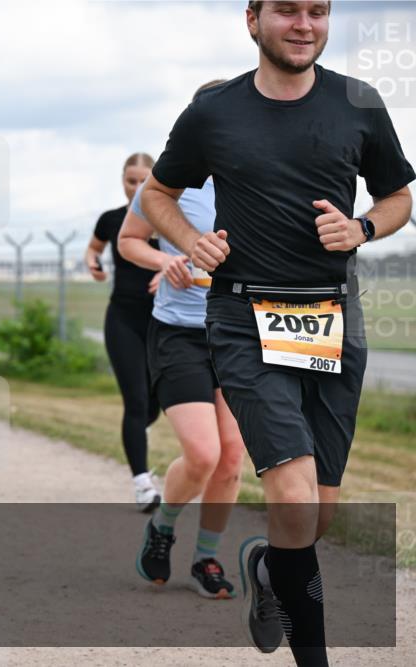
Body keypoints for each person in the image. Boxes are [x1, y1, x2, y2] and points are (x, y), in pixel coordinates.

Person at [141, 2, 414, 663]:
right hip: (242, 317)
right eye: (286, 10)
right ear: (253, 20)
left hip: (331, 317)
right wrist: (191, 242)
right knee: (289, 488)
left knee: (312, 519)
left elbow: (399, 195)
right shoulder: (215, 112)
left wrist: (364, 228)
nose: (303, 24)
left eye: (317, 11)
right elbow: (158, 194)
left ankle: (269, 565)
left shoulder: (359, 102)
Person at [120, 80, 245, 600]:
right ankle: (164, 525)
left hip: (239, 335)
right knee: (201, 453)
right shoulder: (168, 183)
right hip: (181, 335)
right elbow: (129, 242)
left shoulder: (259, 181)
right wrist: (165, 258)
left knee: (233, 457)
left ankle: (207, 558)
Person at [84, 153, 162, 512]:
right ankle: (142, 484)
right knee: (136, 401)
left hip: (164, 324)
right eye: (131, 180)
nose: (136, 186)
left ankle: (137, 436)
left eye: (143, 179)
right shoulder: (112, 220)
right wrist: (93, 264)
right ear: (122, 181)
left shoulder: (170, 219)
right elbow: (94, 248)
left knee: (153, 407)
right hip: (123, 320)